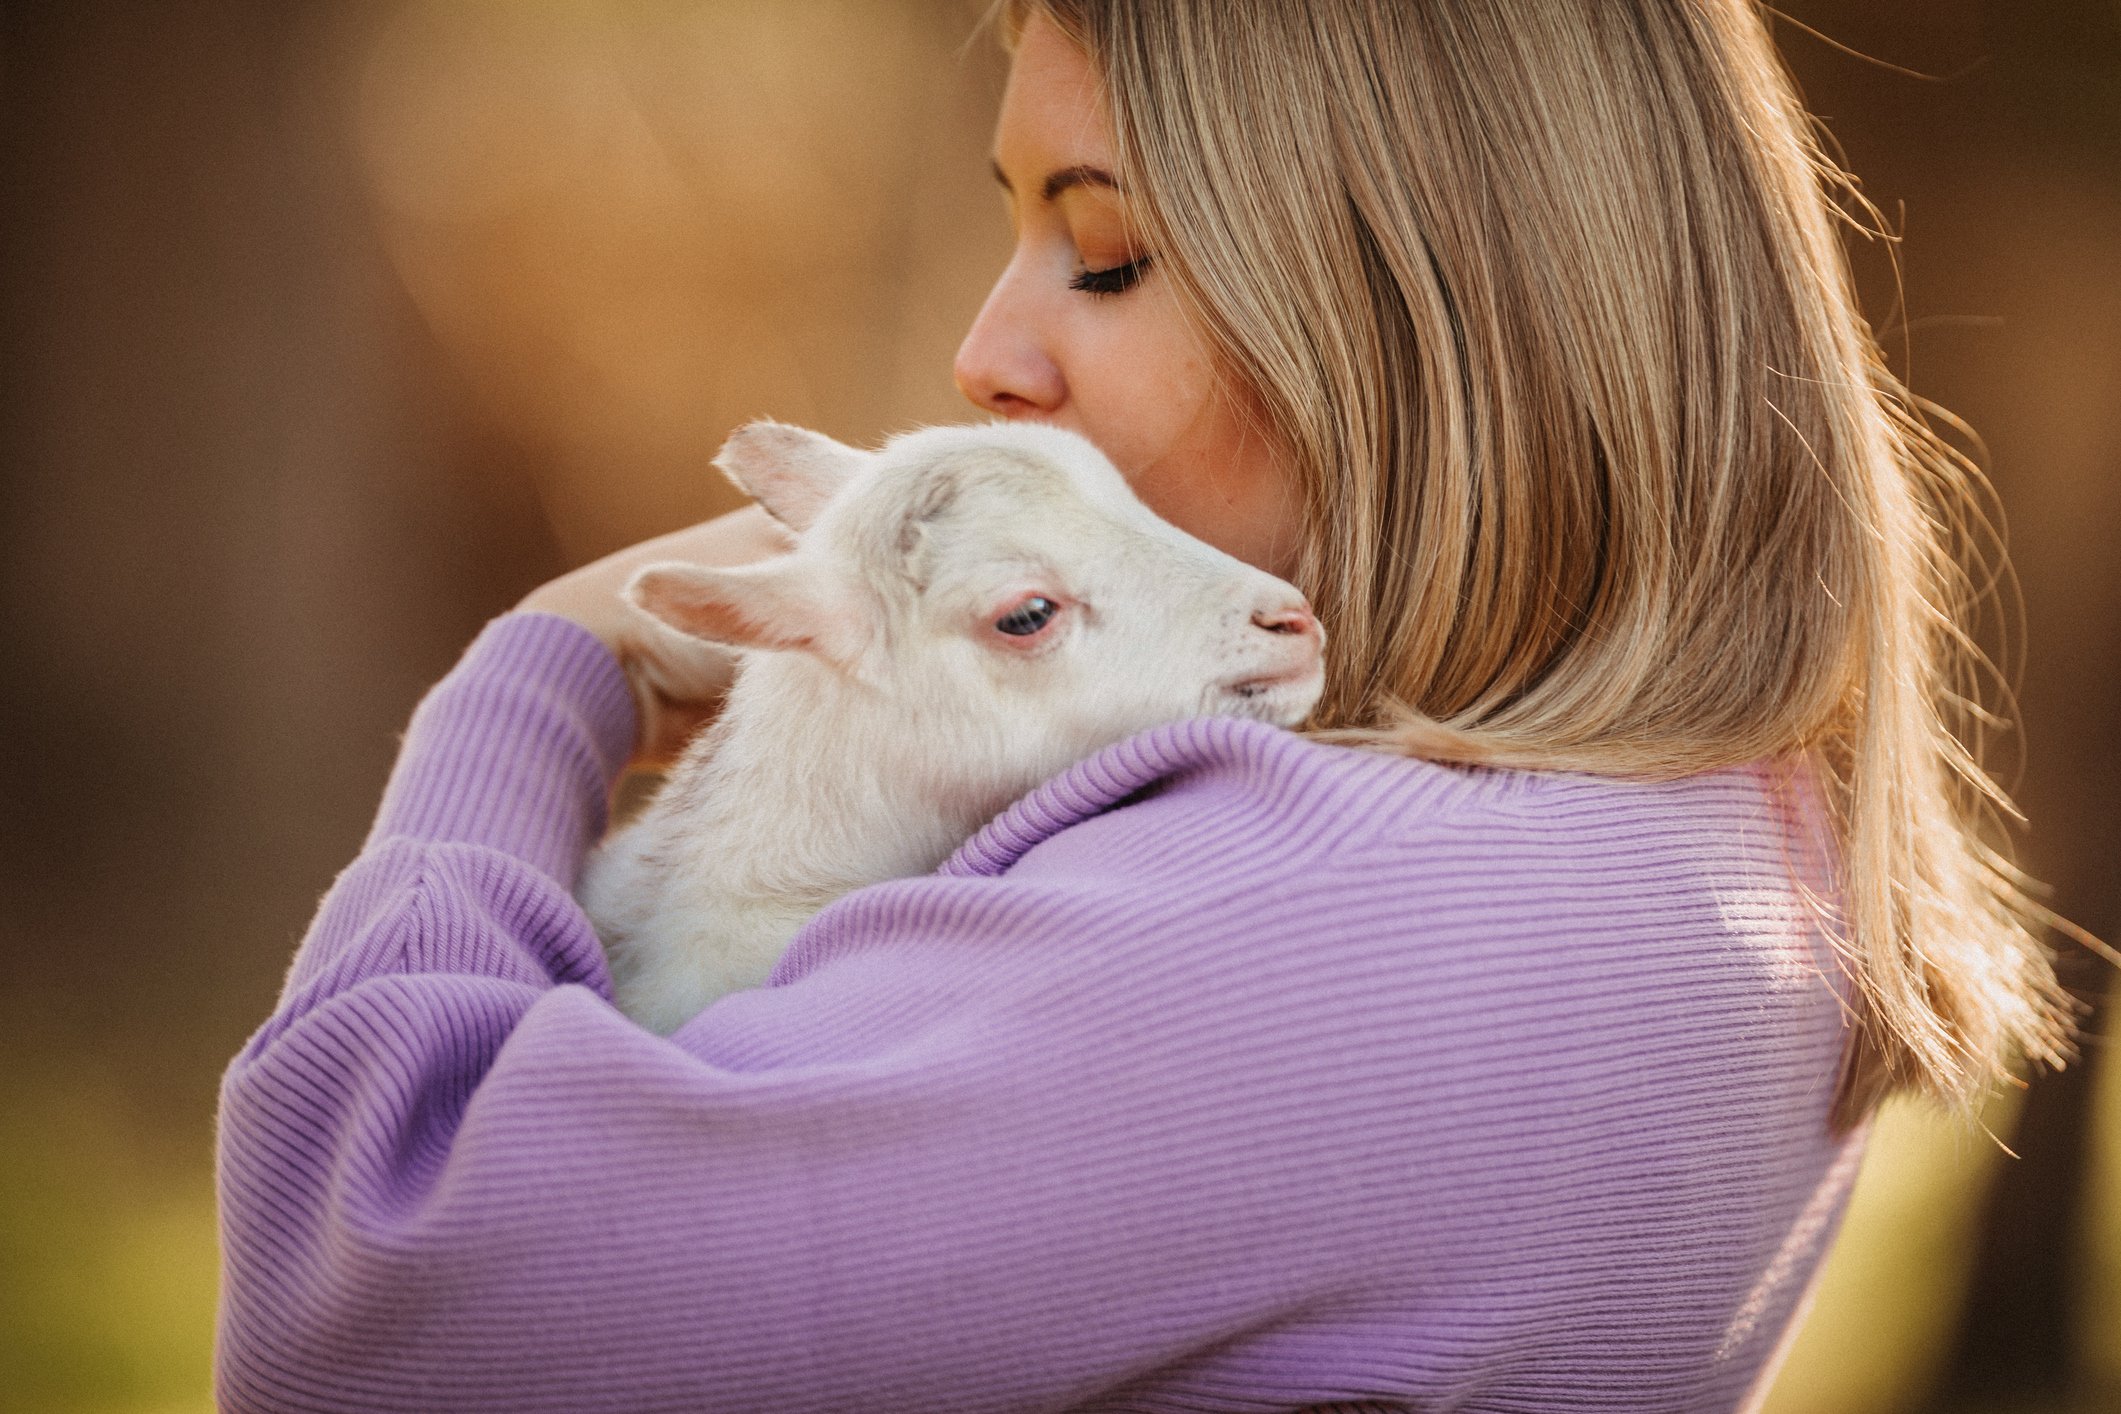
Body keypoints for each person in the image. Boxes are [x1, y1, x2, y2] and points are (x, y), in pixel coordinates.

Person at [214, 3, 2072, 1410]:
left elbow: (371, 1297)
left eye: (1101, 253)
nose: (983, 352)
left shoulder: (1286, 926)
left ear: (1414, 303)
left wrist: (542, 664)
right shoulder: (1733, 842)